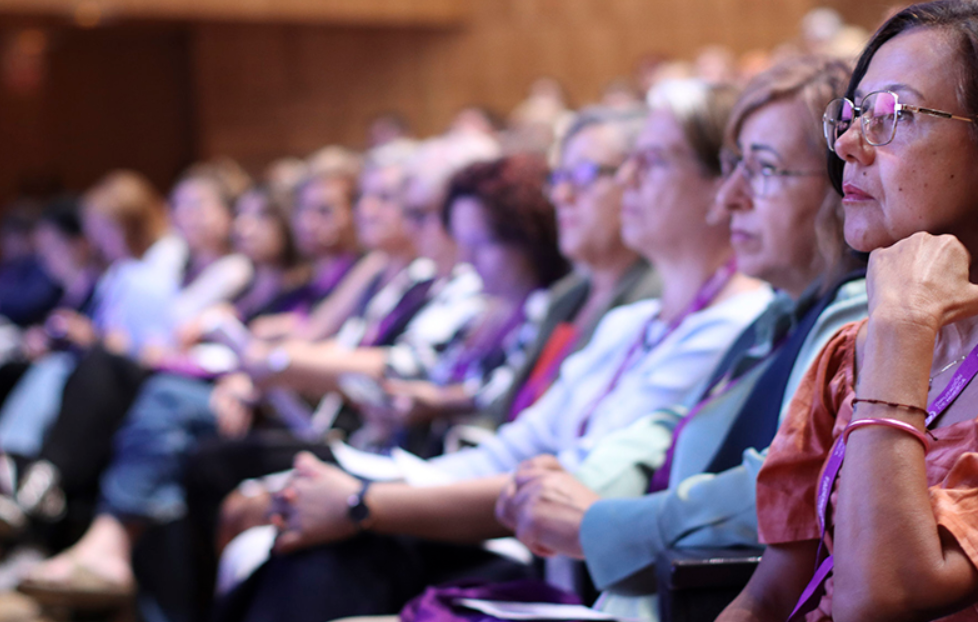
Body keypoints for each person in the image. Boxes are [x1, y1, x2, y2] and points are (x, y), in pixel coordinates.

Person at [212, 79, 773, 622]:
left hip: (568, 565)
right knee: (289, 545)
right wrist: (363, 494)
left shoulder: (733, 324)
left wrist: (363, 503)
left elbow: (578, 485)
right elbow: (517, 447)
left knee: (312, 567)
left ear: (721, 182)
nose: (627, 179)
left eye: (650, 161)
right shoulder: (629, 321)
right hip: (522, 529)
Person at [494, 55, 868, 620]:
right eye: (733, 166)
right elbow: (679, 424)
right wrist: (567, 483)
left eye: (764, 169)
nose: (729, 197)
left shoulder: (856, 313)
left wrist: (597, 521)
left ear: (845, 184)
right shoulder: (784, 309)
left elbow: (785, 483)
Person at [716, 2, 978, 620]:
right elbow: (768, 596)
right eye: (855, 113)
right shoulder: (845, 355)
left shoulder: (882, 337)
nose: (846, 144)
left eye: (891, 114)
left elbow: (879, 598)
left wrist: (902, 330)